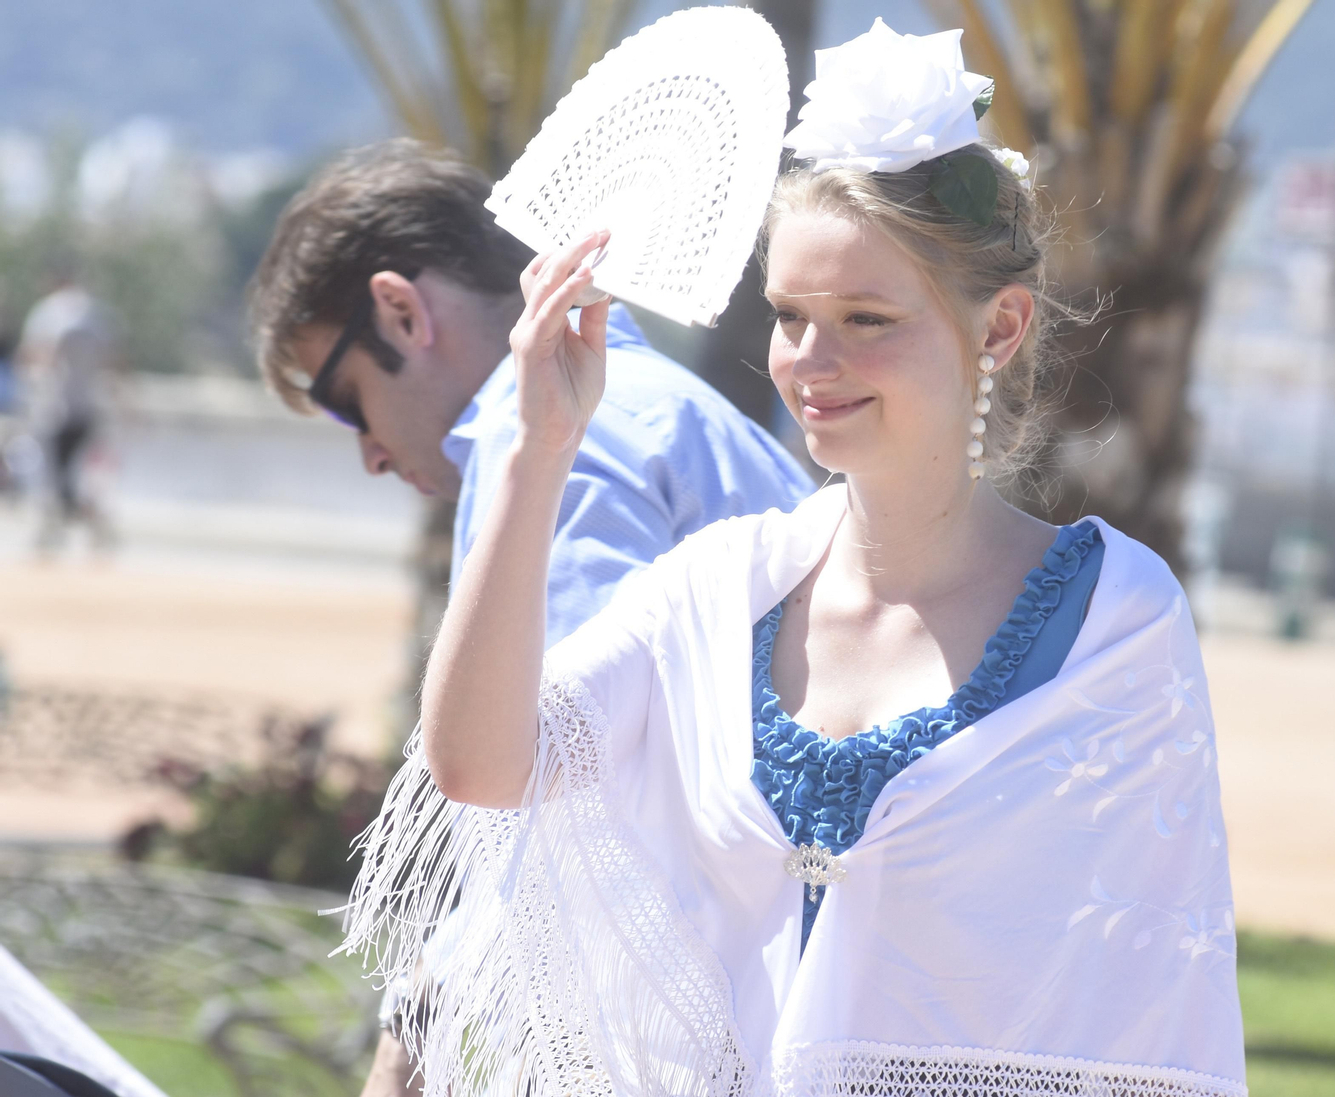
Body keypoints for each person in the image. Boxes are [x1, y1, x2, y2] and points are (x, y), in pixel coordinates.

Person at [346, 22, 1245, 1097]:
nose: (812, 361)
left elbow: (1136, 1008)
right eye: (788, 316)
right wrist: (539, 447)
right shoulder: (715, 589)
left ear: (1000, 328)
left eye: (867, 318)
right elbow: (481, 768)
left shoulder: (1114, 618)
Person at [248, 140, 816, 1096]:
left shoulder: (558, 446)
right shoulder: (655, 409)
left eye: (346, 401)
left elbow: (566, 784)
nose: (370, 454)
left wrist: (412, 1030)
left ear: (400, 311)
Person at [16, 266, 120, 555]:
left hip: (55, 408)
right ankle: (85, 525)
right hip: (88, 407)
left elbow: (34, 354)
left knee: (50, 475)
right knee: (78, 476)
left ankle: (55, 530)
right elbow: (114, 360)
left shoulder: (47, 312)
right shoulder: (96, 313)